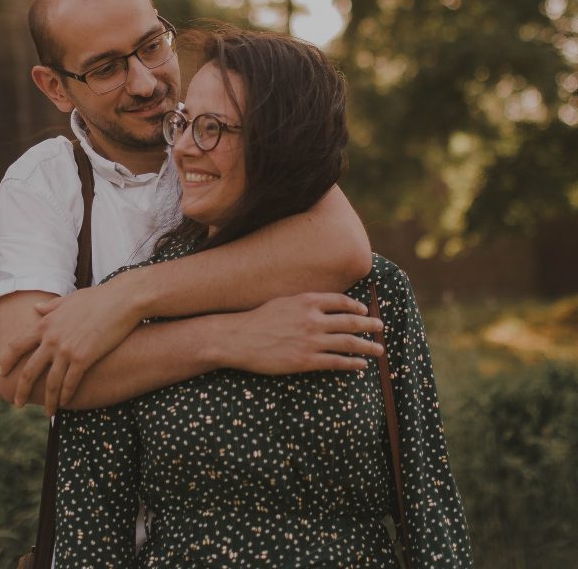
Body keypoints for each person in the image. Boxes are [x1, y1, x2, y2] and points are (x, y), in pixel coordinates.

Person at [52, 29, 475, 567]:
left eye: (212, 129)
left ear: (282, 143)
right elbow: (89, 536)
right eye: (183, 123)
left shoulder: (375, 291)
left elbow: (428, 503)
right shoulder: (130, 301)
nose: (181, 147)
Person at [0, 0, 381, 421]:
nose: (145, 82)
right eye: (106, 69)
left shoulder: (234, 135)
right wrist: (226, 338)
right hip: (115, 486)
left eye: (152, 46)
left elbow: (340, 246)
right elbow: (25, 371)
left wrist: (128, 297)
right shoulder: (42, 182)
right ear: (55, 86)